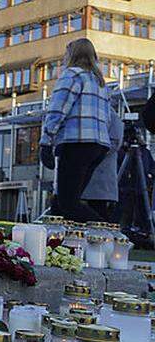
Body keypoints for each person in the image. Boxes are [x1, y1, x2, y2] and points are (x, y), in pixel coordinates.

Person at [39, 38, 114, 222]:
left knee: (68, 204)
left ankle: (110, 235)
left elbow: (57, 109)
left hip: (76, 143)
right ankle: (55, 245)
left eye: (66, 54)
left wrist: (46, 142)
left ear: (71, 55)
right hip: (98, 146)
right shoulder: (100, 83)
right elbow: (109, 118)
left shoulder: (71, 75)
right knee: (61, 203)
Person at [83, 98, 123, 222]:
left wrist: (94, 153)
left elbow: (115, 141)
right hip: (87, 176)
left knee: (98, 214)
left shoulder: (110, 115)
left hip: (100, 178)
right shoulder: (89, 113)